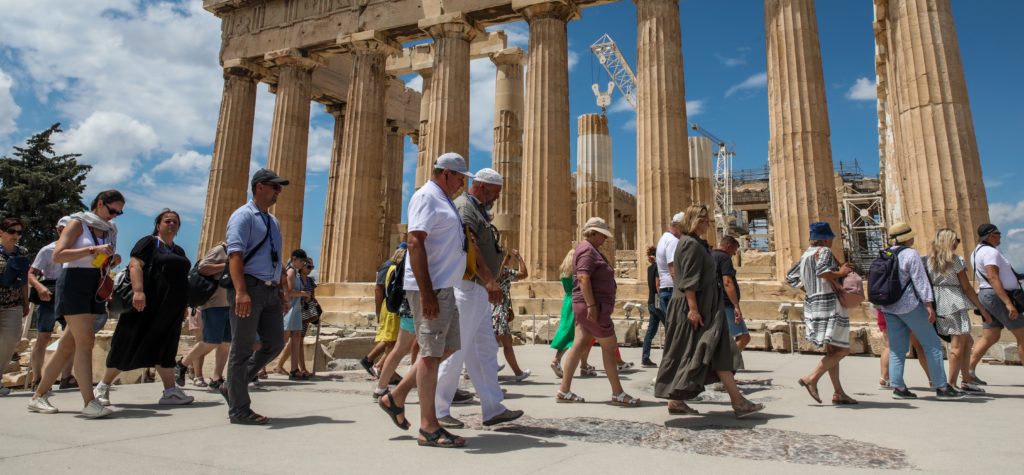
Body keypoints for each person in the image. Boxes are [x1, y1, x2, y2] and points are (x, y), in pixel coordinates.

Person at [377, 153, 475, 448]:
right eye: (459, 177)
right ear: (446, 173)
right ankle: (428, 428)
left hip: (444, 288)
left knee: (447, 348)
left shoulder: (442, 199)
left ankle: (396, 396)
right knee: (431, 356)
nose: (462, 184)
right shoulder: (426, 197)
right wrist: (428, 291)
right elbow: (416, 241)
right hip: (429, 289)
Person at [433, 166, 523, 430]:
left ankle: (493, 408)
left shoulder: (478, 209)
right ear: (482, 186)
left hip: (479, 290)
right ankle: (439, 409)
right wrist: (489, 279)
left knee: (484, 351)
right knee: (456, 350)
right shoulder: (464, 207)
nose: (496, 198)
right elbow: (470, 246)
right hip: (468, 287)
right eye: (494, 192)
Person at [655, 205, 762, 418]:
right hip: (695, 308)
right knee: (695, 350)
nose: (708, 225)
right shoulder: (690, 245)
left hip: (707, 307)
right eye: (704, 221)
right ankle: (738, 401)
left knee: (714, 350)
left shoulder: (696, 244)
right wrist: (693, 309)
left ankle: (682, 400)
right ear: (694, 221)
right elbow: (688, 281)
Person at [28, 190, 124, 418]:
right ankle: (89, 401)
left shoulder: (109, 230)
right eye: (112, 210)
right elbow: (58, 256)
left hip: (95, 283)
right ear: (100, 203)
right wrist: (92, 249)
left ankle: (38, 396)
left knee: (68, 345)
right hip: (73, 282)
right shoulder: (77, 223)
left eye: (119, 213)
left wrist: (110, 259)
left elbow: (98, 262)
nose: (114, 216)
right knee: (86, 341)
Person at [95, 209, 194, 406]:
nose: (172, 224)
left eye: (175, 222)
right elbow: (135, 265)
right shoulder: (149, 242)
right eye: (167, 221)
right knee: (129, 341)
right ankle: (103, 386)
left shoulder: (178, 251)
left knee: (166, 346)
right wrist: (139, 292)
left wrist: (184, 306)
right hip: (147, 304)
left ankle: (170, 391)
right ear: (158, 225)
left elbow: (182, 280)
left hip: (171, 307)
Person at [220, 169, 289, 425]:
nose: (278, 192)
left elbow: (276, 259)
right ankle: (239, 409)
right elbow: (235, 255)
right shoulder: (242, 216)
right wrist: (240, 292)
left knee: (274, 343)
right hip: (248, 287)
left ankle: (233, 386)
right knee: (242, 347)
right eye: (275, 187)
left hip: (270, 289)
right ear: (260, 187)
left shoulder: (273, 221)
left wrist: (281, 292)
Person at [556, 217, 639, 406]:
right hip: (593, 307)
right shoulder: (586, 249)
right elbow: (584, 277)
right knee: (610, 347)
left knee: (579, 344)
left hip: (588, 305)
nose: (605, 238)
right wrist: (592, 306)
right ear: (593, 232)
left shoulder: (590, 249)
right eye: (602, 234)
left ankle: (564, 390)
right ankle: (618, 393)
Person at [879, 222, 964, 400]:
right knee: (932, 345)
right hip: (910, 305)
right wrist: (928, 304)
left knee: (897, 348)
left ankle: (899, 387)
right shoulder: (911, 254)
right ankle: (941, 387)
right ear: (907, 237)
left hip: (889, 307)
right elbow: (920, 280)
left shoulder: (885, 254)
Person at [792, 222, 858, 405]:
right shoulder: (825, 252)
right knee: (843, 349)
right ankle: (811, 378)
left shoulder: (806, 255)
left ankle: (838, 393)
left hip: (813, 304)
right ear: (827, 238)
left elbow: (791, 277)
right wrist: (841, 272)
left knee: (833, 349)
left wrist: (810, 289)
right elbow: (823, 272)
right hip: (829, 303)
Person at [926, 228, 991, 393]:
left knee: (967, 341)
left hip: (939, 301)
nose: (957, 243)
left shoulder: (929, 261)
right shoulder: (956, 260)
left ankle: (966, 381)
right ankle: (951, 384)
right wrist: (981, 308)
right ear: (949, 241)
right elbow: (967, 287)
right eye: (956, 239)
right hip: (954, 302)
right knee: (957, 345)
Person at [969, 223, 1024, 384]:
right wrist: (1008, 303)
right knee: (1022, 335)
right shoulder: (990, 253)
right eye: (998, 233)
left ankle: (969, 372)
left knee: (990, 336)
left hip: (987, 295)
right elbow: (993, 278)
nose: (1001, 236)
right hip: (998, 296)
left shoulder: (976, 252)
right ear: (990, 235)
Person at [27, 216, 72, 390]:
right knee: (43, 336)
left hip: (69, 294)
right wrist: (39, 288)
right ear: (57, 229)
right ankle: (37, 378)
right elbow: (31, 273)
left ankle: (66, 377)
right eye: (62, 228)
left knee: (71, 336)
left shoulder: (78, 249)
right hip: (49, 295)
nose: (64, 231)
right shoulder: (48, 250)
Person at [179, 241, 232, 389]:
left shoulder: (240, 251)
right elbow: (202, 268)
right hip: (214, 303)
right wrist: (226, 265)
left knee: (226, 343)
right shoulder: (220, 250)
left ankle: (217, 378)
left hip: (231, 303)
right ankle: (182, 364)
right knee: (212, 341)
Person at [373, 246, 417, 400]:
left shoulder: (404, 259)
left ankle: (380, 388)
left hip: (406, 304)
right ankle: (404, 389)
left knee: (400, 348)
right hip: (420, 303)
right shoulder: (422, 249)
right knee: (430, 351)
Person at [549, 248, 595, 377]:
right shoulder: (577, 271)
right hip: (579, 300)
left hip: (567, 301)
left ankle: (584, 365)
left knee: (571, 332)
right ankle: (557, 360)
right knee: (579, 334)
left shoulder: (564, 271)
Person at [0, 217, 29, 397]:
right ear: (1, 232)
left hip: (13, 303)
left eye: (19, 232)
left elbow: (24, 280)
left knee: (9, 342)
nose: (16, 235)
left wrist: (25, 302)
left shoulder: (22, 252)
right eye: (12, 231)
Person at [361, 251, 401, 378]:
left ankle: (381, 366)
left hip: (392, 307)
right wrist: (377, 311)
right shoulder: (392, 268)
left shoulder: (394, 268)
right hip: (392, 307)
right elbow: (379, 288)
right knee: (391, 340)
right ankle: (372, 361)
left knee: (394, 340)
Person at [493, 248, 530, 381]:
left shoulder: (501, 272)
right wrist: (517, 258)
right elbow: (523, 274)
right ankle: (480, 372)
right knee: (493, 345)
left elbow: (524, 274)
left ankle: (518, 373)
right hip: (497, 311)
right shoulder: (498, 272)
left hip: (498, 311)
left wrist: (517, 258)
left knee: (506, 343)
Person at [711, 236, 750, 352]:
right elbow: (727, 282)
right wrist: (736, 306)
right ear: (728, 246)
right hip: (726, 303)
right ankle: (727, 366)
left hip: (714, 302)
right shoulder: (724, 258)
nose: (734, 254)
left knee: (720, 338)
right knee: (744, 337)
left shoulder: (710, 256)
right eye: (734, 250)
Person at [279, 249, 311, 380]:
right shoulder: (291, 271)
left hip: (296, 308)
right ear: (294, 259)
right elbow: (289, 292)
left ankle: (294, 369)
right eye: (301, 261)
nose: (303, 263)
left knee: (296, 337)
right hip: (290, 308)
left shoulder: (296, 273)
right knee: (282, 339)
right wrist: (303, 294)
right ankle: (260, 366)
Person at [655, 212, 685, 329]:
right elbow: (672, 266)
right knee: (679, 328)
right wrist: (681, 289)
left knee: (673, 330)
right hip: (672, 289)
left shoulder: (664, 238)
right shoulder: (673, 241)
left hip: (665, 288)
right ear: (679, 226)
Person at [641, 246, 663, 367]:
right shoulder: (658, 267)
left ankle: (645, 358)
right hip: (657, 301)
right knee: (671, 327)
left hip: (651, 301)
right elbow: (657, 284)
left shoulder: (650, 268)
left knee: (650, 331)